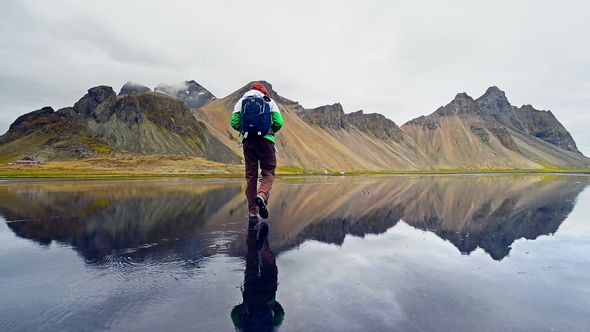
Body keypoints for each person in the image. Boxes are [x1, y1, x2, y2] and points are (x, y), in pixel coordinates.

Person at [231, 82, 284, 223]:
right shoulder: (269, 101)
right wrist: (268, 130)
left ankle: (253, 211)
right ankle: (262, 195)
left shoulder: (241, 102)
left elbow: (234, 122)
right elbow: (279, 122)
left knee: (251, 175)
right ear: (264, 91)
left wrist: (246, 129)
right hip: (266, 141)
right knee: (268, 172)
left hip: (248, 142)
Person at [231, 222, 284, 332]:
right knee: (251, 260)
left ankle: (264, 248)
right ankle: (252, 227)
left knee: (269, 263)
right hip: (250, 296)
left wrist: (272, 302)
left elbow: (280, 314)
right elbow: (234, 314)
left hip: (267, 296)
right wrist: (245, 305)